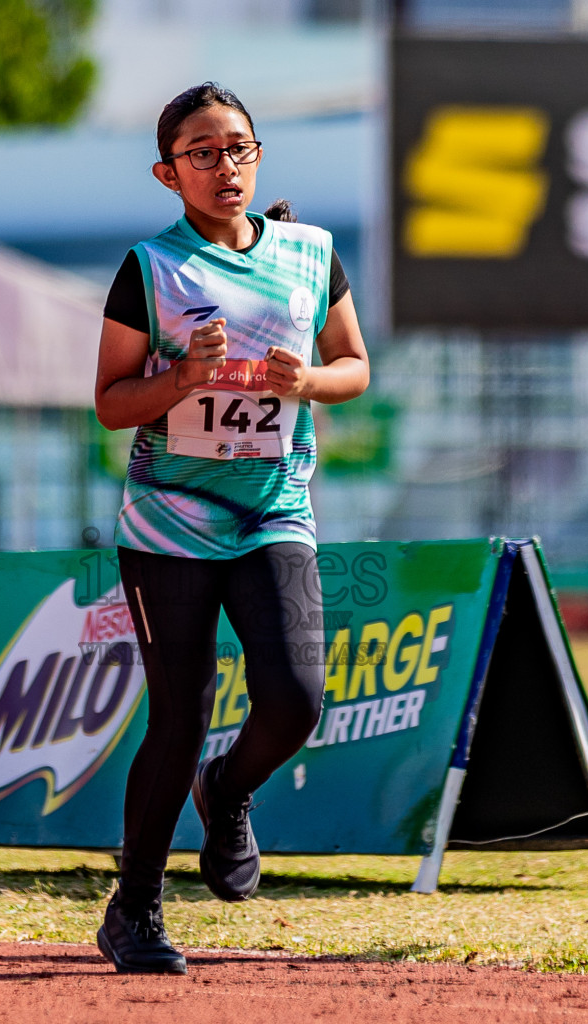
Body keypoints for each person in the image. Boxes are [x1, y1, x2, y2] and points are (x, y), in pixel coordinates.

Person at [92, 82, 370, 974]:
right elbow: (109, 401)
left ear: (259, 157)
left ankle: (230, 786)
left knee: (295, 696)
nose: (225, 167)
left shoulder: (311, 253)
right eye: (203, 154)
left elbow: (355, 367)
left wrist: (306, 385)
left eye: (239, 148)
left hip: (274, 509)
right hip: (170, 519)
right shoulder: (150, 267)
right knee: (179, 717)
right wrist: (180, 380)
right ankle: (134, 910)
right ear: (167, 172)